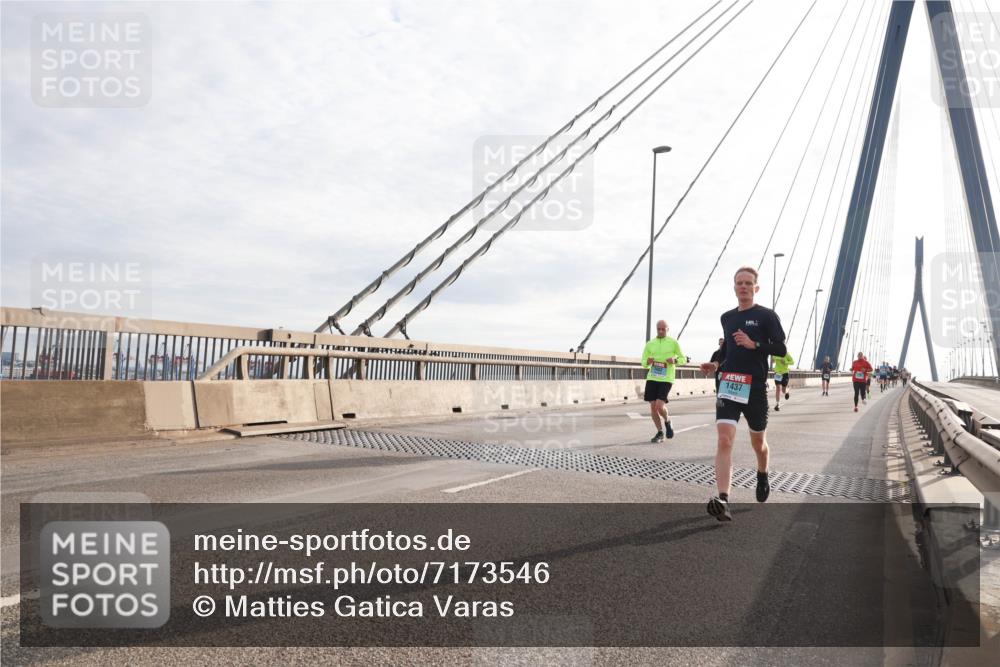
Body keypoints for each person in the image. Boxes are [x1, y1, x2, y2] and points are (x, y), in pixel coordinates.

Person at [700, 266, 786, 522]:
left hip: (755, 387)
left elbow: (781, 348)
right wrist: (715, 364)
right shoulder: (727, 318)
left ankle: (762, 473)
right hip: (729, 383)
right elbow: (727, 349)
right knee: (724, 440)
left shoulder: (767, 316)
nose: (744, 287)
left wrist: (754, 344)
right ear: (734, 287)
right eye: (740, 283)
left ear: (756, 288)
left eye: (749, 283)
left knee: (758, 444)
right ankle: (723, 499)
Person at [641, 320, 687, 443]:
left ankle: (667, 421)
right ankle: (660, 432)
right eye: (659, 329)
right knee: (653, 407)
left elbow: (683, 359)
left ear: (667, 329)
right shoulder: (650, 344)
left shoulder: (673, 343)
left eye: (663, 329)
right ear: (656, 329)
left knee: (659, 406)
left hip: (666, 378)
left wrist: (675, 360)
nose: (661, 331)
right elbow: (643, 362)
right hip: (652, 377)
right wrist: (647, 362)